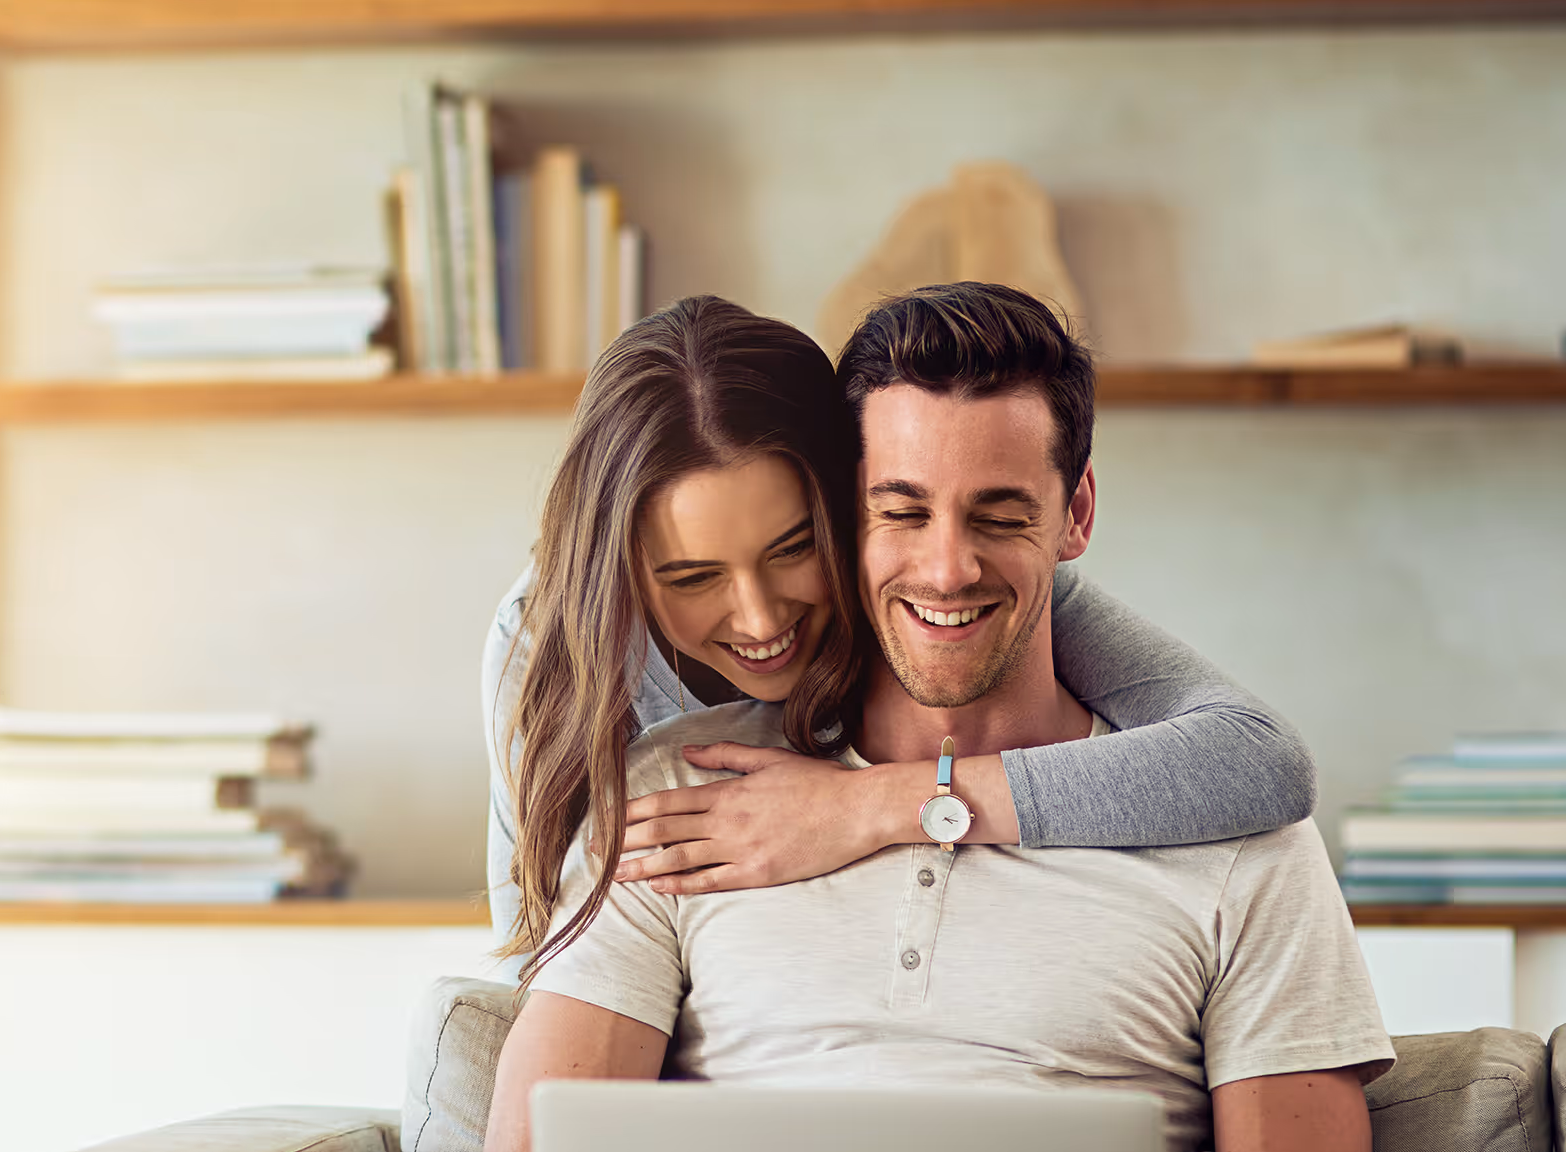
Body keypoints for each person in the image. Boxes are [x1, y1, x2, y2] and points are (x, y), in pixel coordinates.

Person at [443, 283, 1396, 1152]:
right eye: (901, 511)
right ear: (852, 512)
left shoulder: (1239, 832)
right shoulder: (671, 792)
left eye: (1000, 512)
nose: (948, 567)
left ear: (1076, 512)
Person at [482, 294, 1316, 971]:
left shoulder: (962, 583)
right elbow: (541, 951)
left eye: (796, 547)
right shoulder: (550, 639)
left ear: (848, 507)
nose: (762, 620)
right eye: (693, 577)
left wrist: (865, 804)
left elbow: (1257, 758)